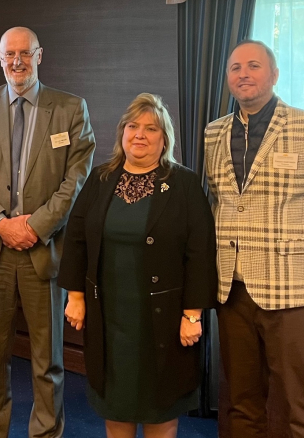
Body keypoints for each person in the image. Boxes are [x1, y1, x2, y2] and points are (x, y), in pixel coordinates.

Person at [205, 40, 304, 438]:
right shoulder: (214, 133)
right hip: (233, 292)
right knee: (241, 403)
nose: (243, 74)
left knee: (296, 405)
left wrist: (302, 242)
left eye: (253, 65)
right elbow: (219, 202)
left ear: (273, 75)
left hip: (297, 293)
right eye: (235, 67)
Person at [0, 26, 95, 437]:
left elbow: (77, 179)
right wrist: (1, 223)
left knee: (46, 359)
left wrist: (35, 226)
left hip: (44, 250)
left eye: (25, 53)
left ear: (40, 55)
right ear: (0, 58)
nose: (17, 61)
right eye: (9, 54)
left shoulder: (70, 108)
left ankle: (46, 433)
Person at [59, 93, 216, 438]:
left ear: (164, 139)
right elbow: (76, 240)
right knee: (116, 405)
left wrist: (193, 315)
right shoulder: (101, 179)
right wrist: (76, 297)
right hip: (110, 320)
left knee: (160, 410)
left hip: (165, 319)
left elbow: (201, 254)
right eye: (133, 126)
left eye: (151, 128)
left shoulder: (184, 185)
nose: (140, 134)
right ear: (122, 133)